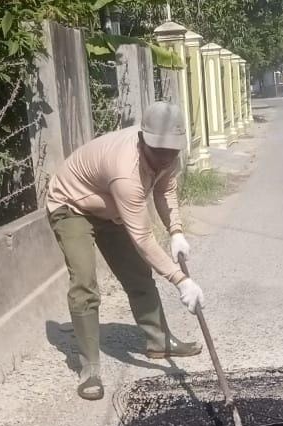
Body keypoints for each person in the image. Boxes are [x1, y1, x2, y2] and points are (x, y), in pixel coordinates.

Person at [45, 101, 204, 400]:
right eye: (159, 152)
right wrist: (181, 280)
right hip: (72, 206)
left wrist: (176, 231)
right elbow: (143, 238)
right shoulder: (125, 169)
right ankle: (90, 368)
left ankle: (160, 342)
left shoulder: (169, 154)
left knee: (138, 276)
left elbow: (165, 189)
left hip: (110, 208)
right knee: (85, 284)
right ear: (144, 139)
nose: (164, 159)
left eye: (171, 152)